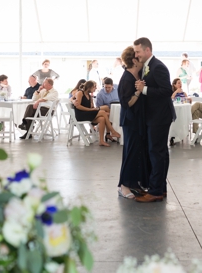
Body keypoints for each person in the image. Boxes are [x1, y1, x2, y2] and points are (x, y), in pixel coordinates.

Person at [133, 37, 175, 203]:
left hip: (159, 116)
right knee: (160, 153)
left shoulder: (157, 67)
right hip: (156, 116)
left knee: (156, 153)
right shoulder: (149, 66)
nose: (136, 55)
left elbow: (166, 91)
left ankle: (156, 190)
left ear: (147, 50)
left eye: (138, 51)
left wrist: (144, 89)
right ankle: (159, 187)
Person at [117, 46, 149, 199]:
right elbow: (126, 103)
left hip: (138, 119)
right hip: (131, 120)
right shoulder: (127, 78)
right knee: (130, 152)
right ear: (134, 60)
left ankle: (134, 182)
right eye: (138, 57)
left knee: (137, 151)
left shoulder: (137, 76)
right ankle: (123, 185)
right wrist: (138, 92)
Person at [73, 80, 120, 146]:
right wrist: (90, 109)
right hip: (81, 115)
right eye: (94, 87)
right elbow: (78, 106)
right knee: (103, 112)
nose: (95, 88)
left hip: (88, 114)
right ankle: (112, 131)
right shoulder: (80, 93)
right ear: (90, 87)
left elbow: (91, 107)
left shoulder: (89, 96)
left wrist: (92, 107)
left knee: (102, 119)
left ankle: (101, 140)